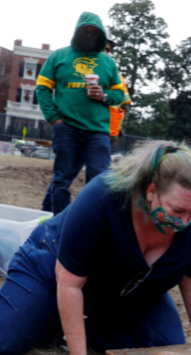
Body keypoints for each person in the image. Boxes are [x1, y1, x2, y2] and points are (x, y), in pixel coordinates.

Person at [0, 141, 191, 355]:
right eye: (177, 210)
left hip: (125, 290)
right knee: (1, 340)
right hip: (56, 269)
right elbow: (70, 282)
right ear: (151, 191)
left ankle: (59, 326)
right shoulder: (103, 196)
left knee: (163, 347)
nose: (185, 223)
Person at [37, 12, 126, 214]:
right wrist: (54, 118)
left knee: (100, 181)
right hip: (67, 128)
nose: (89, 35)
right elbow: (42, 87)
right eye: (85, 31)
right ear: (77, 31)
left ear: (101, 35)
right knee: (62, 180)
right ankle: (58, 224)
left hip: (98, 132)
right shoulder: (59, 56)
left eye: (94, 32)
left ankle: (88, 223)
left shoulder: (108, 63)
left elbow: (119, 95)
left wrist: (103, 96)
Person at [104, 28, 131, 139]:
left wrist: (120, 131)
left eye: (107, 50)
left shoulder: (119, 78)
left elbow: (126, 106)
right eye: (103, 49)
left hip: (109, 134)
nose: (105, 52)